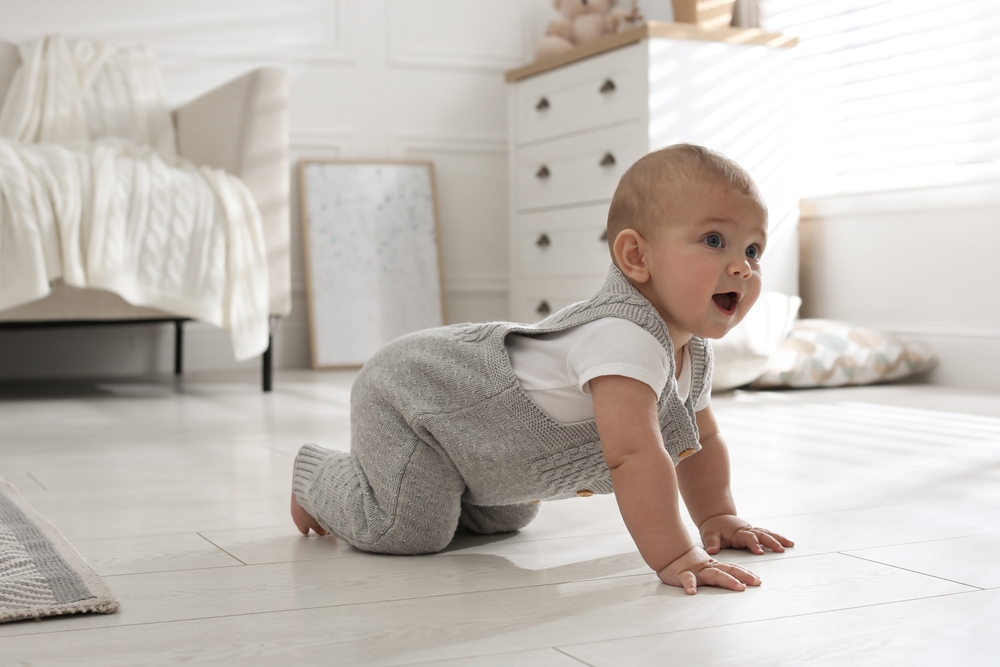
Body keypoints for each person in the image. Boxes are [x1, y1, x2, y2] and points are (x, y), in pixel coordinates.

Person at [291, 143, 793, 595]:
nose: (743, 267)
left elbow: (697, 442)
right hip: (413, 394)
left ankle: (448, 487)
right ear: (637, 256)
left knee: (507, 515)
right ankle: (317, 476)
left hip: (485, 449)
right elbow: (636, 456)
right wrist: (678, 554)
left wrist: (718, 515)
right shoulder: (624, 336)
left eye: (753, 249)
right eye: (713, 241)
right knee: (406, 528)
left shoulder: (694, 352)